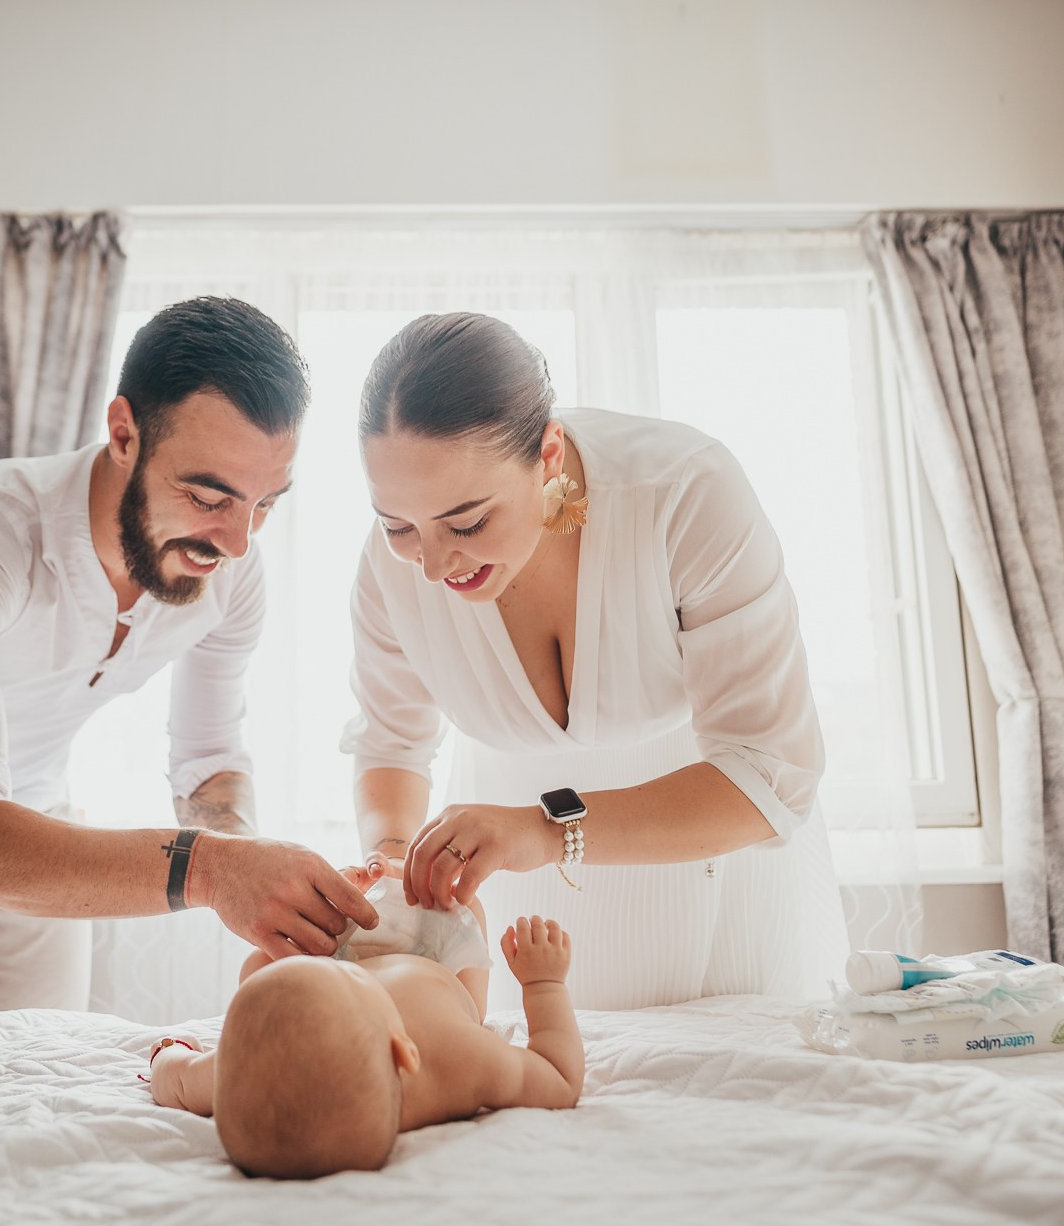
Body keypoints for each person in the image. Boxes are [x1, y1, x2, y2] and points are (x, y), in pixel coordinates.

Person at [0, 298, 377, 1015]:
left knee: (45, 1045)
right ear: (123, 434)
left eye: (265, 505)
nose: (236, 543)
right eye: (208, 496)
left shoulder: (232, 572)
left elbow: (207, 758)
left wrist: (255, 868)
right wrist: (208, 870)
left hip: (35, 788)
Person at [344, 312, 851, 1013]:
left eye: (467, 523)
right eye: (397, 524)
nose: (431, 563)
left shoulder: (685, 494)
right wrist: (395, 856)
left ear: (548, 453)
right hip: (520, 899)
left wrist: (541, 827)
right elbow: (391, 743)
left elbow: (772, 774)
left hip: (709, 867)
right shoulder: (389, 567)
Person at [148, 860, 582, 1179]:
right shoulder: (460, 1054)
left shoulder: (242, 1073)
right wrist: (543, 985)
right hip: (438, 970)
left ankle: (321, 929)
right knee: (465, 907)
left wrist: (167, 1054)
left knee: (263, 975)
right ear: (404, 1051)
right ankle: (353, 915)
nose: (350, 966)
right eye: (349, 973)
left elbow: (179, 1080)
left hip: (307, 983)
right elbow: (559, 1077)